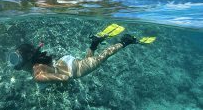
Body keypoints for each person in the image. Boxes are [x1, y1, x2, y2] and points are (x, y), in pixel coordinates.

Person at [8, 24, 155, 82]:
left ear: (27, 60)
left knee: (102, 57)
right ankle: (94, 42)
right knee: (87, 60)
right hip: (64, 61)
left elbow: (64, 77)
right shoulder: (37, 63)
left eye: (15, 60)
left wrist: (62, 80)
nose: (14, 63)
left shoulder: (37, 75)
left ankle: (125, 41)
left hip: (72, 70)